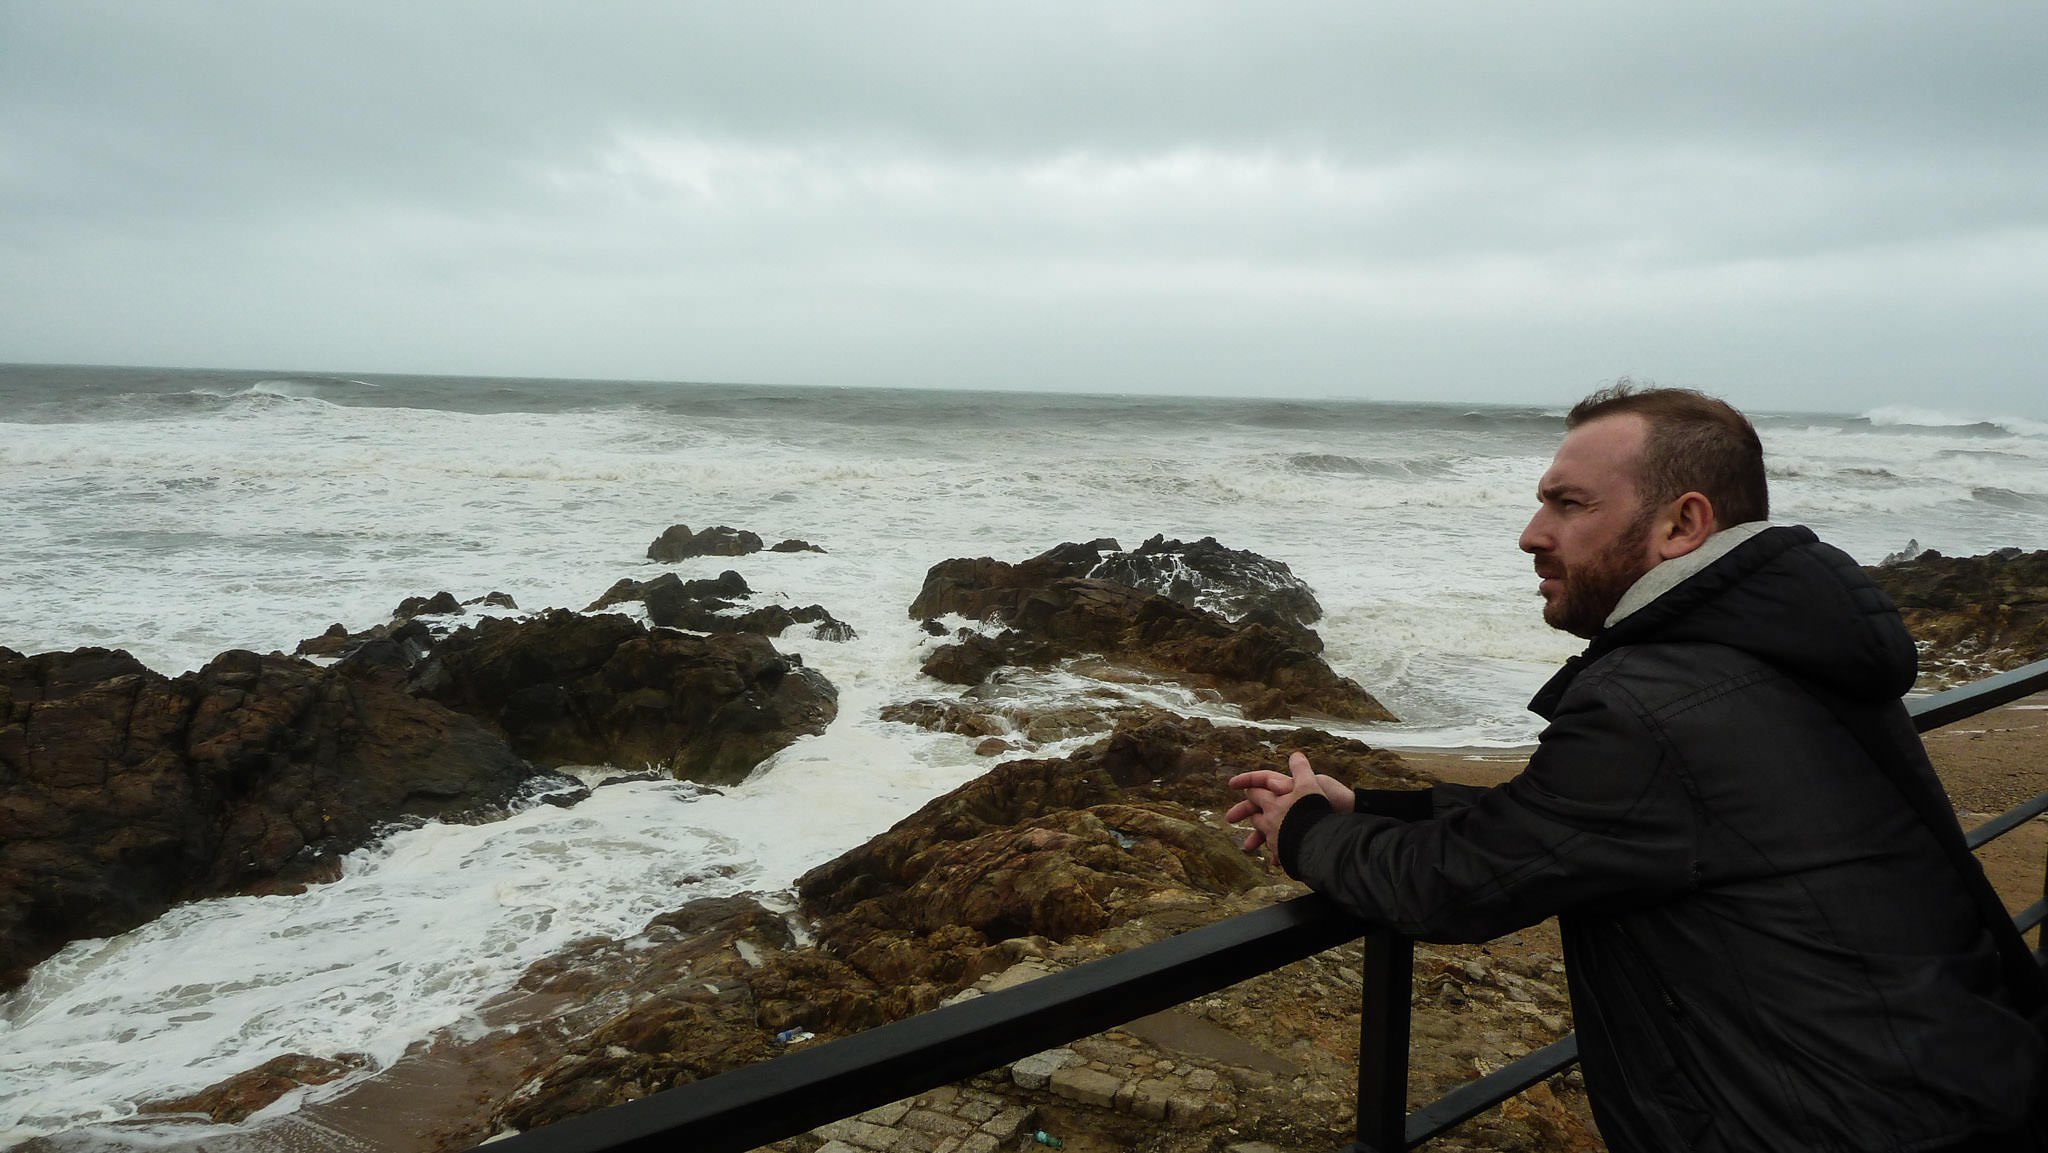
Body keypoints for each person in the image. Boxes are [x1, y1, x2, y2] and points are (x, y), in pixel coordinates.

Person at [1228, 384, 2045, 1153]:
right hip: (1949, 1078)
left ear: (1683, 525)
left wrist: (1303, 828)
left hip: (1818, 1121)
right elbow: (1586, 819)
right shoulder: (1784, 645)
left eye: (1568, 503)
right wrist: (1369, 804)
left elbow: (1455, 885)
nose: (1531, 532)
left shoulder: (1654, 698)